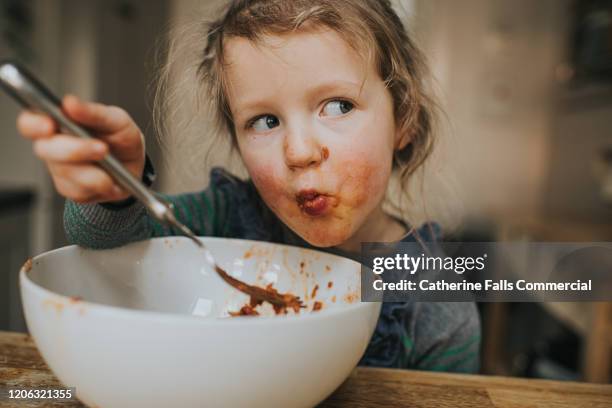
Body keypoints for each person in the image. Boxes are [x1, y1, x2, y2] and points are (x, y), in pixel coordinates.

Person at [16, 0, 480, 371]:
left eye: (337, 106)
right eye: (265, 120)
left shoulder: (436, 299)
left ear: (404, 120)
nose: (299, 151)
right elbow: (106, 240)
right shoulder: (223, 217)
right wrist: (114, 195)